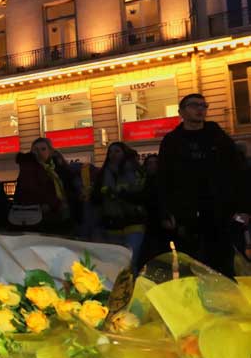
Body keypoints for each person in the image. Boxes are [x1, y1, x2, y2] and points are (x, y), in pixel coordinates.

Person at [158, 94, 249, 276]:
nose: (200, 109)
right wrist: (166, 212)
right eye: (194, 105)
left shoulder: (218, 136)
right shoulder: (172, 141)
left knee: (223, 265)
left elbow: (238, 173)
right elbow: (164, 179)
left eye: (203, 105)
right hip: (187, 215)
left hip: (221, 213)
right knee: (191, 267)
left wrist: (244, 209)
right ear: (181, 112)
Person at [93, 142, 147, 269]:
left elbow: (141, 193)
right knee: (117, 264)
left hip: (133, 221)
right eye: (110, 152)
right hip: (112, 223)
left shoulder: (135, 171)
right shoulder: (103, 174)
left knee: (130, 260)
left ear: (124, 153)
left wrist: (120, 193)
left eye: (117, 151)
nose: (113, 154)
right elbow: (97, 199)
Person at [12, 138, 76, 235]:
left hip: (61, 212)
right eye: (36, 149)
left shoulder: (58, 167)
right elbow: (27, 190)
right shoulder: (28, 168)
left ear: (50, 151)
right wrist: (53, 203)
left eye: (43, 149)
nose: (39, 152)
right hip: (39, 215)